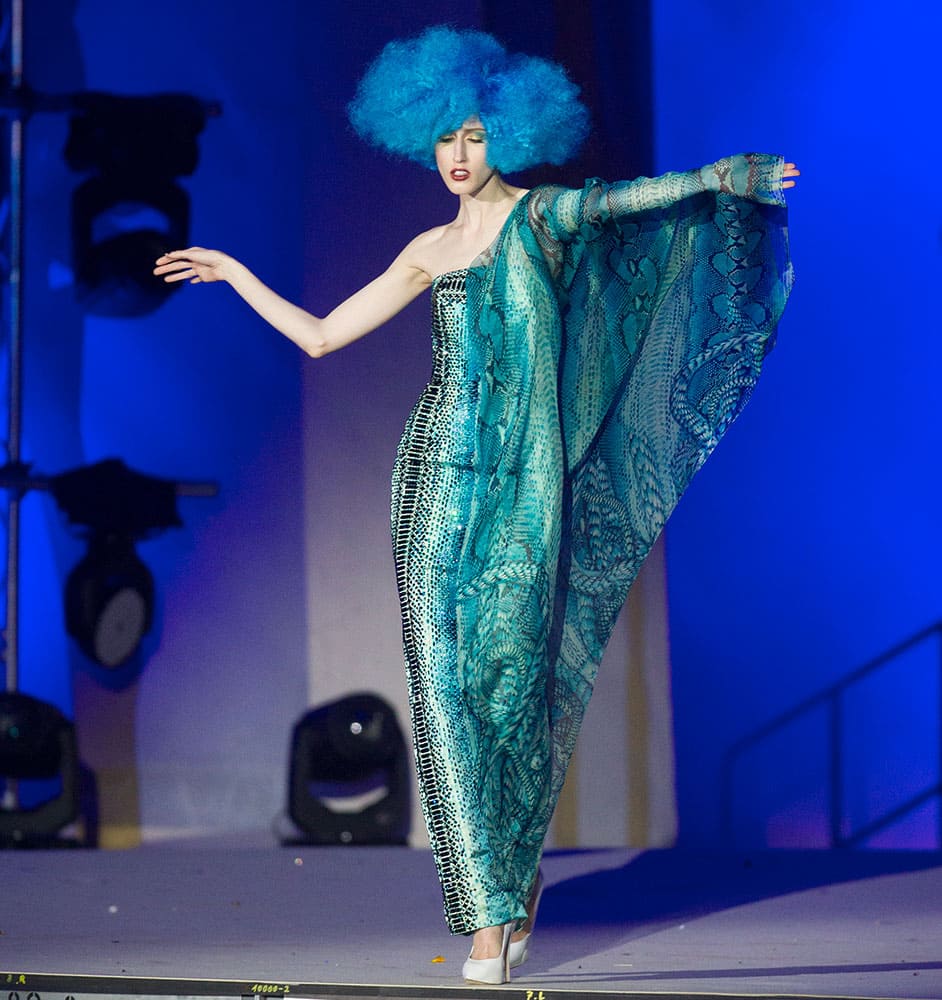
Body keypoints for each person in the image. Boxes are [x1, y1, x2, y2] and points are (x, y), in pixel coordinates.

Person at [155, 25, 798, 985]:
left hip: (527, 491)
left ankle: (515, 874)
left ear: (507, 131)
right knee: (446, 696)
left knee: (514, 689)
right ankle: (487, 918)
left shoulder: (545, 220)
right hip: (434, 482)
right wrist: (239, 275)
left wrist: (720, 177)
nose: (457, 158)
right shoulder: (426, 248)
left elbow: (634, 199)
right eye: (443, 142)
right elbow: (326, 337)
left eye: (473, 135)